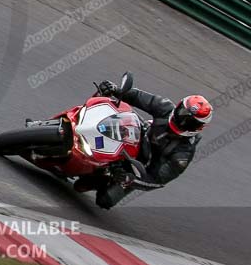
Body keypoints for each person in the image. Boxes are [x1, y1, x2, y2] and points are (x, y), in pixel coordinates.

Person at [75, 81, 213, 209]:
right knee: (113, 112)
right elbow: (138, 97)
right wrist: (115, 89)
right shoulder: (165, 108)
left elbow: (157, 181)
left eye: (188, 121)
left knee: (105, 200)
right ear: (178, 107)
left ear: (198, 127)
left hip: (139, 168)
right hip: (136, 135)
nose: (182, 121)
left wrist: (131, 179)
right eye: (182, 113)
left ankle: (100, 179)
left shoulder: (183, 154)